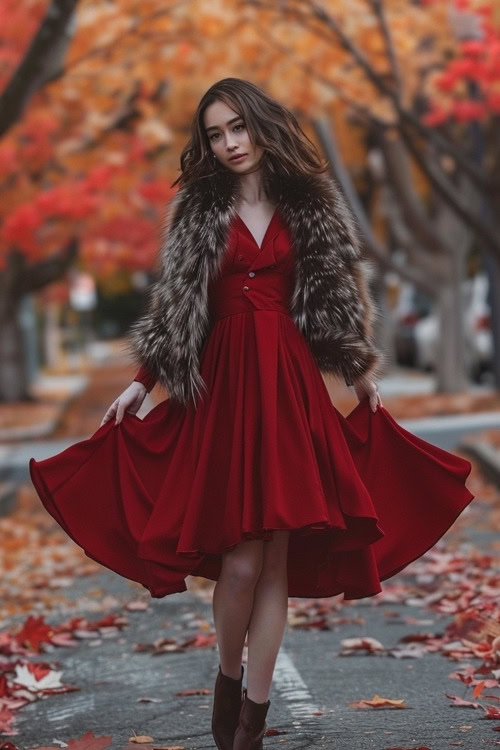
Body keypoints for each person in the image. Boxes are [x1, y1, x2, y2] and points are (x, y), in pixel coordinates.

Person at [29, 78, 474, 750]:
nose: (230, 143)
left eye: (238, 127)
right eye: (216, 133)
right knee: (240, 562)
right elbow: (180, 308)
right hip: (225, 390)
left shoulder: (310, 203)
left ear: (262, 126)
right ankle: (228, 674)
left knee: (276, 562)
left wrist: (356, 371)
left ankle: (252, 722)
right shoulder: (199, 208)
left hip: (291, 387)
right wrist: (144, 384)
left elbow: (333, 296)